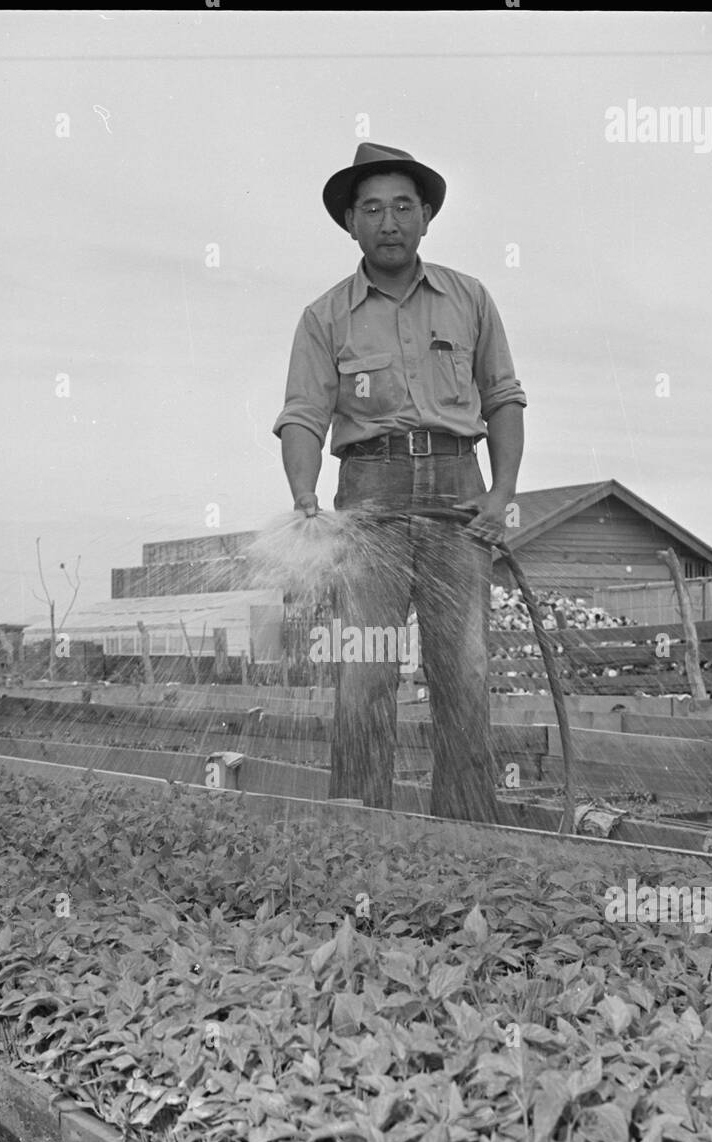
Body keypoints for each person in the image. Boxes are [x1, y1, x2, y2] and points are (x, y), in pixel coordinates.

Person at [273, 142, 527, 823]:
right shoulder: (325, 317)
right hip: (369, 497)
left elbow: (502, 397)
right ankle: (358, 830)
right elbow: (302, 415)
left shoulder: (469, 297)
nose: (389, 221)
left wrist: (500, 496)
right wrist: (306, 499)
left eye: (403, 207)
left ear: (426, 217)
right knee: (364, 676)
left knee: (464, 677)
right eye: (373, 209)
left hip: (458, 495)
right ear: (350, 223)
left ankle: (466, 834)